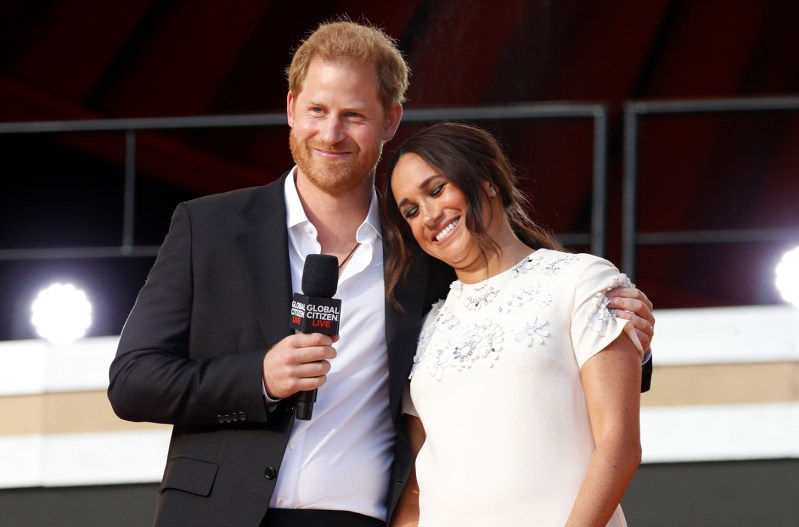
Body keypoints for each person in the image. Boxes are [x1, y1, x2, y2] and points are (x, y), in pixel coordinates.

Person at [107, 19, 655, 527]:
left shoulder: (424, 249)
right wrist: (259, 378)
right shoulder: (209, 226)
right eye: (317, 110)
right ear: (292, 107)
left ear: (390, 119)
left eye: (354, 115)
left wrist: (627, 337)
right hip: (220, 514)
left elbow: (515, 317)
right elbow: (133, 382)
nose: (331, 133)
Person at [383, 122, 645, 526]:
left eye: (436, 190)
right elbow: (418, 487)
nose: (429, 216)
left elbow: (619, 445)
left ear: (486, 181)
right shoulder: (426, 326)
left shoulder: (580, 280)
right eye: (412, 211)